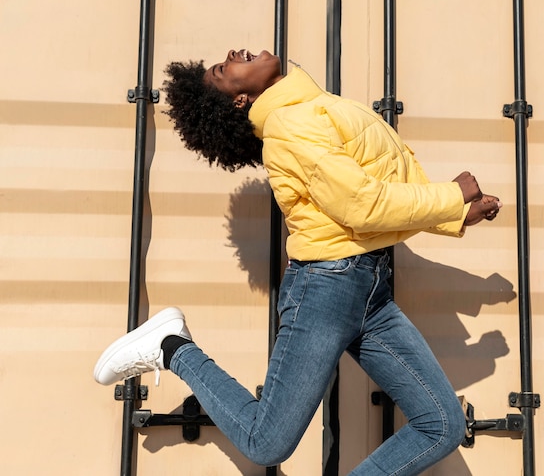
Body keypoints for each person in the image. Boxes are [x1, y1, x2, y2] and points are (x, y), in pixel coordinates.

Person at [94, 49, 502, 475]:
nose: (234, 54)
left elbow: (384, 189)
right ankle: (171, 347)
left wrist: (455, 213)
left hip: (368, 288)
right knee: (266, 442)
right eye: (223, 68)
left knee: (441, 425)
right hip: (327, 290)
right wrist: (451, 197)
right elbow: (361, 205)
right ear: (238, 101)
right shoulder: (292, 125)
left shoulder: (312, 108)